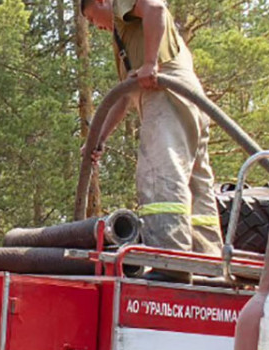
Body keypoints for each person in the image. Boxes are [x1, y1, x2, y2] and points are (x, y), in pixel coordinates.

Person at [82, 0, 223, 282]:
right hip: (185, 98)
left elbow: (155, 7)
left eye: (91, 17)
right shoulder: (124, 36)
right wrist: (98, 138)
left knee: (159, 173)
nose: (95, 26)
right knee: (195, 183)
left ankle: (170, 262)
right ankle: (208, 264)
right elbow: (123, 97)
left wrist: (150, 63)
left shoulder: (122, 7)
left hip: (165, 93)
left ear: (101, 1)